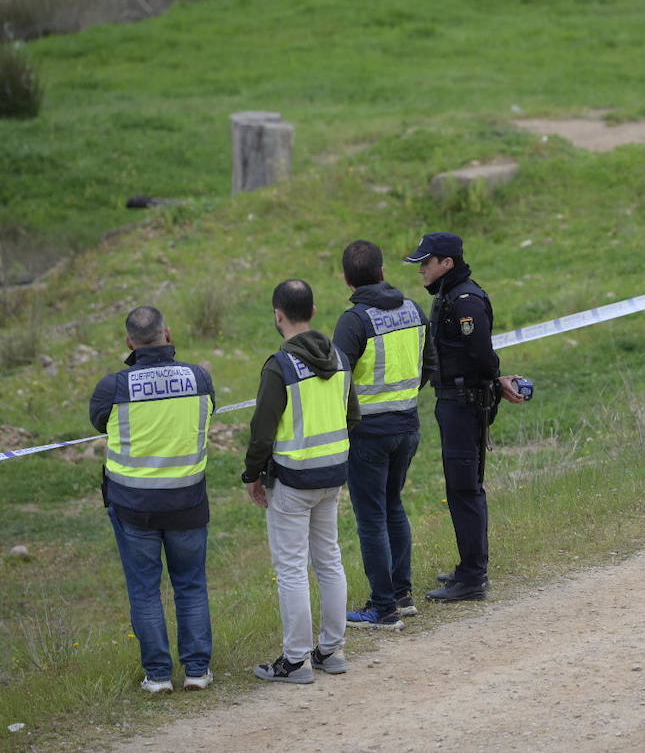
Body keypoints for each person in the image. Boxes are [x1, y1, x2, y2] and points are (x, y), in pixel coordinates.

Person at [89, 306, 215, 693]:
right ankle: (197, 671)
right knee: (190, 585)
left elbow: (98, 422)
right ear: (168, 333)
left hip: (134, 507)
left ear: (130, 342)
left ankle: (158, 677)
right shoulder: (199, 377)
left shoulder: (113, 386)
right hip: (187, 502)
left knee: (145, 590)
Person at [242, 279, 358, 684]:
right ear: (312, 310)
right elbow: (353, 415)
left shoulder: (281, 366)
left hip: (293, 481)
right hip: (334, 476)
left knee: (292, 568)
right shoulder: (340, 356)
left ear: (279, 314)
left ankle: (295, 661)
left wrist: (253, 474)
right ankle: (331, 650)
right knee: (329, 560)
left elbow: (262, 430)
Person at [406, 232, 528, 600]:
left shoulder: (465, 301)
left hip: (464, 403)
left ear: (447, 263)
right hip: (455, 401)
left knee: (465, 487)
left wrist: (496, 380)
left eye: (427, 263)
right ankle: (468, 568)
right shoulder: (449, 295)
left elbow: (481, 355)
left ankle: (473, 577)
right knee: (460, 487)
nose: (422, 270)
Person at [333, 240, 428, 630]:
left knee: (372, 518)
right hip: (407, 424)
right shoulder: (414, 309)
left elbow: (337, 379)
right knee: (393, 506)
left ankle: (383, 607)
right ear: (384, 272)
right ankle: (402, 595)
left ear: (346, 280)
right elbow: (430, 364)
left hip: (369, 434)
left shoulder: (353, 321)